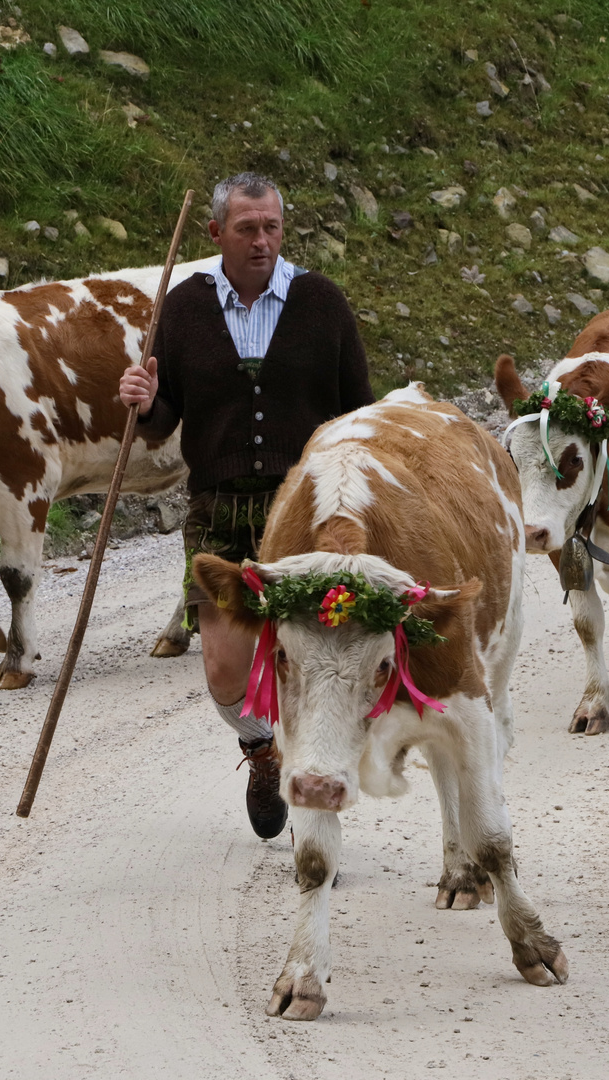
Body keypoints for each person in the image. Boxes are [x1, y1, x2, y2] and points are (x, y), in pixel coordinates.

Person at [119, 172, 375, 839]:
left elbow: (359, 411)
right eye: (246, 229)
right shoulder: (182, 309)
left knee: (315, 658)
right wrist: (145, 403)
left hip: (309, 509)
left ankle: (319, 802)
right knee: (224, 668)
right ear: (215, 234)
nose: (262, 241)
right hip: (218, 511)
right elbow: (162, 415)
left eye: (272, 228)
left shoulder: (321, 302)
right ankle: (263, 750)